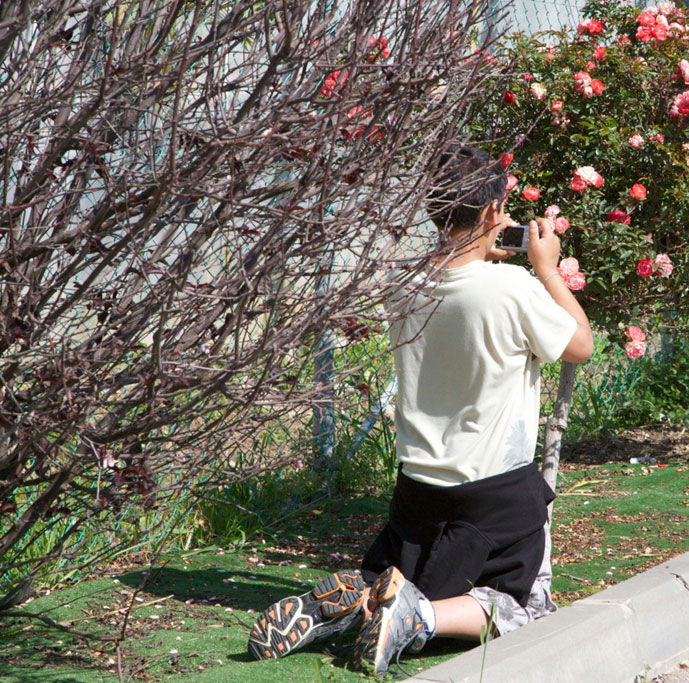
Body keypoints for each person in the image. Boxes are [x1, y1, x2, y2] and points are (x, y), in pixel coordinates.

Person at [247, 143, 593, 675]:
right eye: (500, 206)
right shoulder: (512, 288)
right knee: (524, 607)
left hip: (416, 495)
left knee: (399, 577)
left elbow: (456, 291)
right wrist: (545, 270)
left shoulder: (402, 282)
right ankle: (420, 617)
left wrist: (477, 256)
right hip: (493, 497)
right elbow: (579, 345)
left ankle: (354, 601)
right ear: (489, 213)